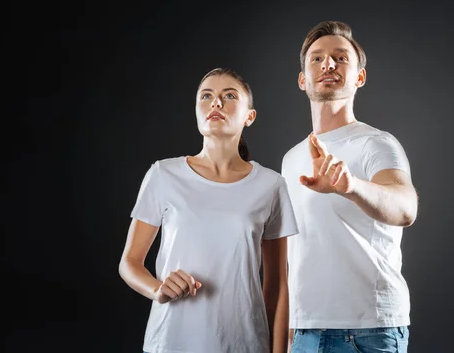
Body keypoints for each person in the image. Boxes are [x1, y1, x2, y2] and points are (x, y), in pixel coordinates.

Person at [119, 67, 299, 353]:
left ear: (249, 116)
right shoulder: (163, 175)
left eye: (229, 96)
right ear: (197, 111)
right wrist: (157, 288)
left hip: (246, 343)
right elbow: (129, 262)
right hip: (170, 341)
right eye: (206, 96)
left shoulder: (271, 185)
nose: (216, 102)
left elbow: (277, 287)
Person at [281, 21, 419, 353]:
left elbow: (405, 207)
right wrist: (288, 328)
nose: (328, 64)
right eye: (316, 59)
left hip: (367, 331)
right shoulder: (291, 159)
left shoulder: (377, 144)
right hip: (304, 332)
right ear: (303, 79)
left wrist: (350, 186)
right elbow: (292, 256)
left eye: (340, 58)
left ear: (359, 77)